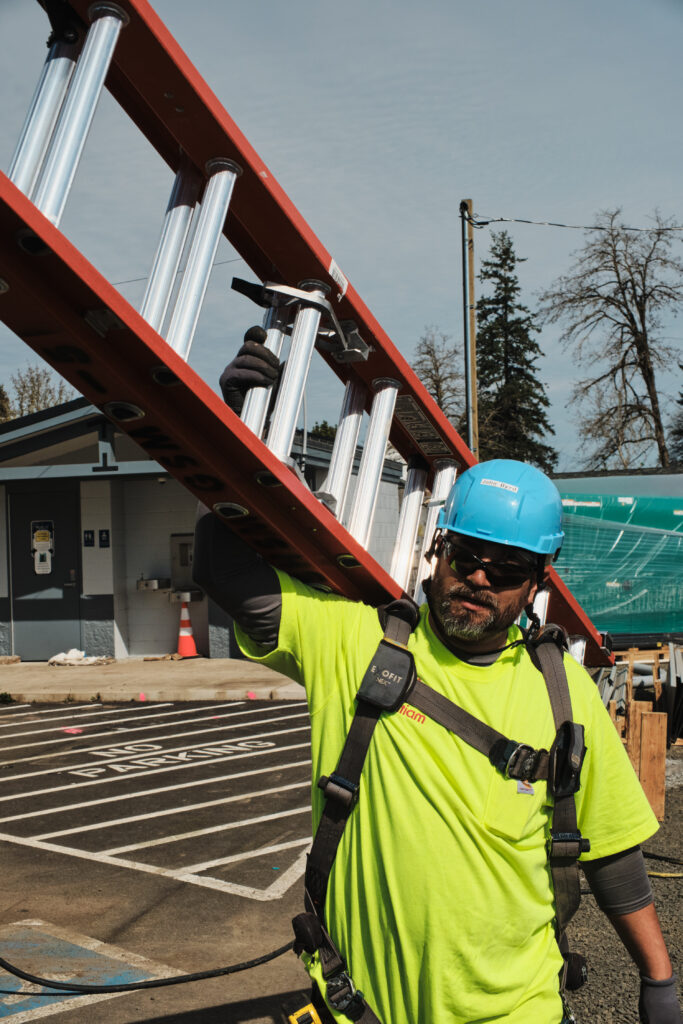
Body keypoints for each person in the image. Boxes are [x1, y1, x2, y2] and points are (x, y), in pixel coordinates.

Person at [193, 339, 681, 1024]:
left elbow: (613, 858)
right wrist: (237, 429)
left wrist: (658, 983)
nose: (479, 578)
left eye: (506, 568)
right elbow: (226, 569)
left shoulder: (561, 691)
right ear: (437, 548)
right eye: (467, 555)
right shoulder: (355, 642)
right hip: (361, 1008)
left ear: (536, 583)